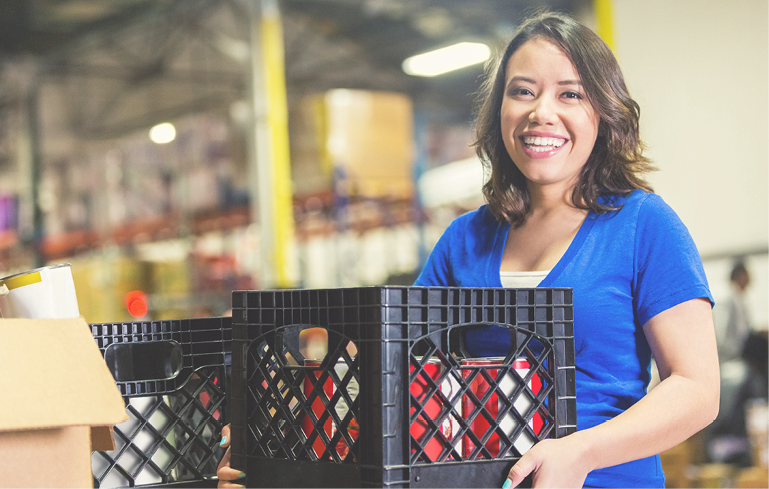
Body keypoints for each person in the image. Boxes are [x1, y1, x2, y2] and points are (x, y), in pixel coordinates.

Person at [413, 11, 719, 489]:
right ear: (500, 110)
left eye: (570, 94)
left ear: (603, 111)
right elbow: (411, 370)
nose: (542, 112)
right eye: (523, 91)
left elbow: (697, 389)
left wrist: (579, 454)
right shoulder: (462, 240)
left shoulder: (643, 225)